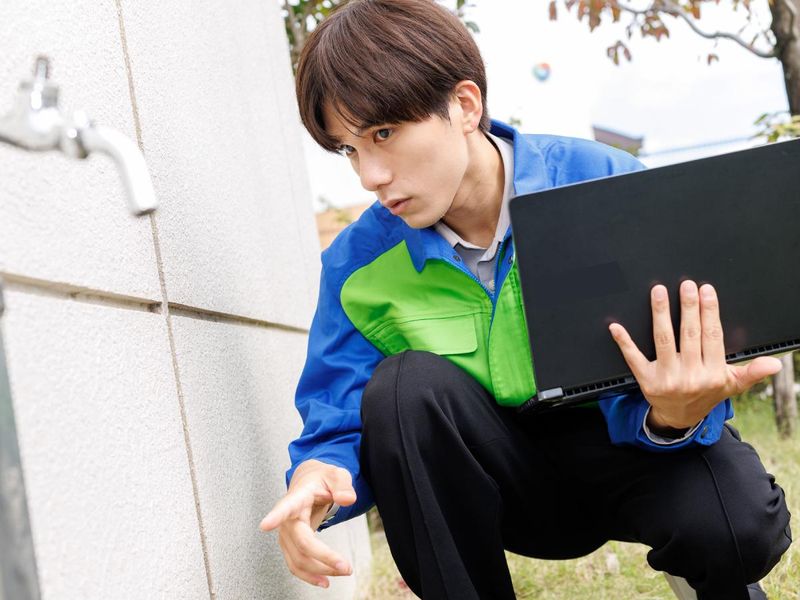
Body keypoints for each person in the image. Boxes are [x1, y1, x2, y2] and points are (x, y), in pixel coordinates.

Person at [259, 1, 792, 598]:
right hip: (506, 480)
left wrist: (676, 414)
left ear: (465, 105)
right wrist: (319, 472)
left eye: (383, 134)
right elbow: (337, 408)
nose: (369, 175)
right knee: (403, 389)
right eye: (350, 149)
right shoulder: (358, 263)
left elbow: (684, 350)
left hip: (637, 452)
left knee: (737, 528)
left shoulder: (603, 182)